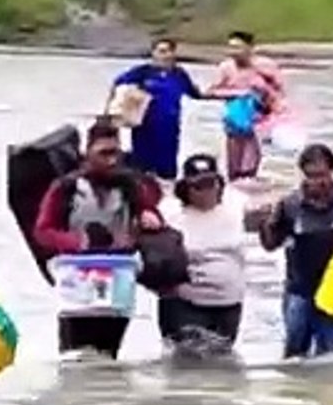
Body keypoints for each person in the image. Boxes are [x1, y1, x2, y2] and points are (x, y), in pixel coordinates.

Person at [33, 119, 164, 358]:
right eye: (104, 154)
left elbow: (152, 213)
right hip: (77, 282)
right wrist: (75, 243)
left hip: (118, 282)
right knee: (74, 356)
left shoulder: (131, 186)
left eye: (115, 153)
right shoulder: (66, 188)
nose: (111, 160)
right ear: (87, 153)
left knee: (109, 356)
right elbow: (43, 231)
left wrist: (150, 217)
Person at [257, 143, 333, 359]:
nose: (317, 182)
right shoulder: (290, 205)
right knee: (294, 355)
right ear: (303, 174)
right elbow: (270, 244)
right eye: (311, 176)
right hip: (300, 290)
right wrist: (262, 224)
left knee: (330, 355)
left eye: (322, 175)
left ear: (332, 171)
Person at [158, 154, 246, 355]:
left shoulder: (236, 209)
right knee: (188, 364)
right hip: (186, 305)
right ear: (185, 189)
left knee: (222, 364)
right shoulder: (170, 216)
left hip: (229, 304)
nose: (206, 192)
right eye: (198, 186)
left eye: (211, 184)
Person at [109, 38, 206, 181]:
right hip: (145, 127)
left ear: (174, 54)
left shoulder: (179, 74)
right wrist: (112, 112)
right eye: (161, 51)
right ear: (153, 53)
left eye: (168, 52)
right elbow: (118, 84)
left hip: (169, 128)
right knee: (142, 167)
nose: (165, 55)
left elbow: (196, 94)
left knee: (167, 170)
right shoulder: (143, 72)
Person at [205, 31, 287, 181]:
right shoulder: (226, 68)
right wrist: (239, 93)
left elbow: (280, 92)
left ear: (250, 48)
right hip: (234, 122)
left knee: (250, 169)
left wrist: (266, 95)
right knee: (234, 169)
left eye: (238, 48)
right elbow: (210, 92)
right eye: (230, 48)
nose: (233, 52)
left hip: (260, 123)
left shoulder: (266, 66)